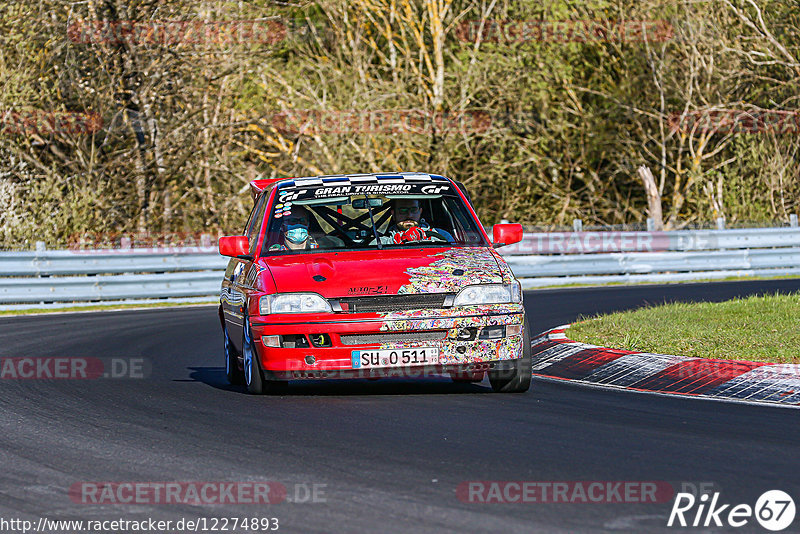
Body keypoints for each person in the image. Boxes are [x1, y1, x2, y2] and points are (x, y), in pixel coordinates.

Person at [383, 199, 454, 244]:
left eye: (413, 210)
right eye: (403, 211)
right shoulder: (379, 243)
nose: (409, 215)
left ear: (420, 212)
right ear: (393, 213)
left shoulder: (443, 236)